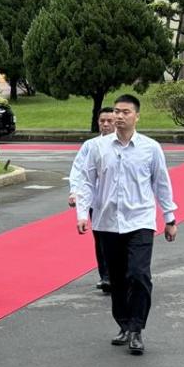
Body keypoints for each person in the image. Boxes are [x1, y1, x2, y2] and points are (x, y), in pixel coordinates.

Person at [75, 94, 178, 356]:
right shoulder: (98, 148)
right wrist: (81, 214)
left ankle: (136, 329)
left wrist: (169, 218)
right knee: (117, 280)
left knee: (139, 275)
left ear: (137, 116)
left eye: (126, 112)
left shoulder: (150, 148)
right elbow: (86, 181)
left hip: (140, 221)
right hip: (107, 223)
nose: (119, 117)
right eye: (117, 112)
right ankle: (123, 323)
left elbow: (161, 183)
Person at [67, 107, 116, 293]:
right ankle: (106, 277)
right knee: (102, 240)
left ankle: (123, 273)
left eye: (109, 121)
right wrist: (75, 192)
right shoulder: (90, 146)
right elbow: (79, 170)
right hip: (97, 201)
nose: (105, 124)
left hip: (119, 203)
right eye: (102, 121)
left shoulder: (125, 144)